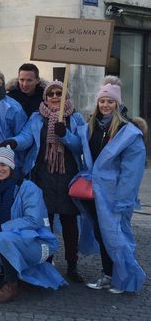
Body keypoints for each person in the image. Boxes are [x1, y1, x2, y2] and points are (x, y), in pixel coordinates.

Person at [1, 80, 85, 283]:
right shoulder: (37, 117)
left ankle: (72, 265)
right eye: (51, 94)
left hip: (67, 176)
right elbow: (26, 137)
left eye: (59, 93)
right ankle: (46, 261)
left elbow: (80, 146)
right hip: (43, 176)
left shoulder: (76, 118)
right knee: (43, 222)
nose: (55, 97)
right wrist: (14, 142)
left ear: (66, 96)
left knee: (69, 222)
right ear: (45, 98)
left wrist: (64, 134)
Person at [75, 81, 147, 294]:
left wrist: (124, 199)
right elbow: (82, 151)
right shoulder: (92, 125)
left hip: (114, 195)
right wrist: (63, 135)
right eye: (102, 101)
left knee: (117, 238)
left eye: (110, 101)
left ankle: (125, 279)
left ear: (117, 104)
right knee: (102, 235)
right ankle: (109, 275)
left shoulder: (128, 132)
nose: (105, 105)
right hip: (94, 192)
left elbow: (131, 172)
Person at [0, 146, 66, 303]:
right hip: (8, 242)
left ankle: (11, 285)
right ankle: (14, 269)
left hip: (37, 242)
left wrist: (2, 229)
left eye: (3, 164)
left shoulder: (28, 188)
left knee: (3, 238)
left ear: (11, 165)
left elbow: (33, 220)